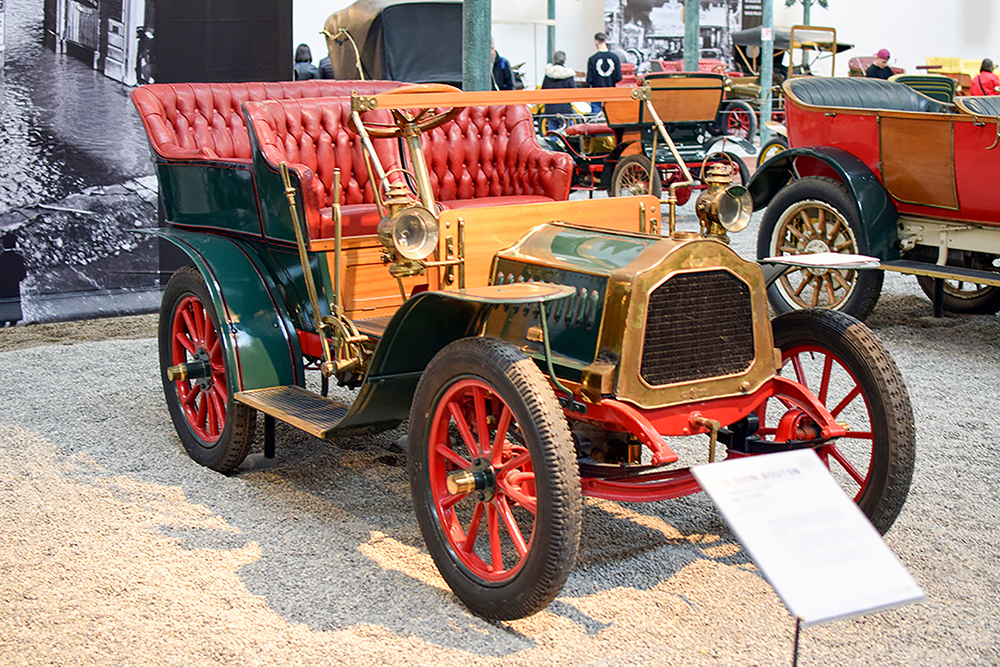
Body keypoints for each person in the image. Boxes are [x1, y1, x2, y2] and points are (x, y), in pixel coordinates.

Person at [541, 50, 577, 130]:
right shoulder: (568, 74)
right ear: (564, 60)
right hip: (565, 109)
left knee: (552, 133)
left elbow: (543, 90)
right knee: (569, 132)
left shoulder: (548, 74)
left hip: (550, 109)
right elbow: (574, 92)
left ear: (554, 59)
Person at [587, 32, 622, 113]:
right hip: (611, 90)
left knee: (595, 116)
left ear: (596, 42)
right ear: (605, 40)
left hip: (597, 91)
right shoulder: (615, 57)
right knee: (612, 113)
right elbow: (618, 77)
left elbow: (589, 79)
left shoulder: (592, 59)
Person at [0, 231, 26, 328]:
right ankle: (12, 322)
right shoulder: (18, 258)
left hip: (2, 287)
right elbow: (22, 274)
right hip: (13, 286)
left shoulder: (1, 258)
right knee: (13, 303)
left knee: (3, 305)